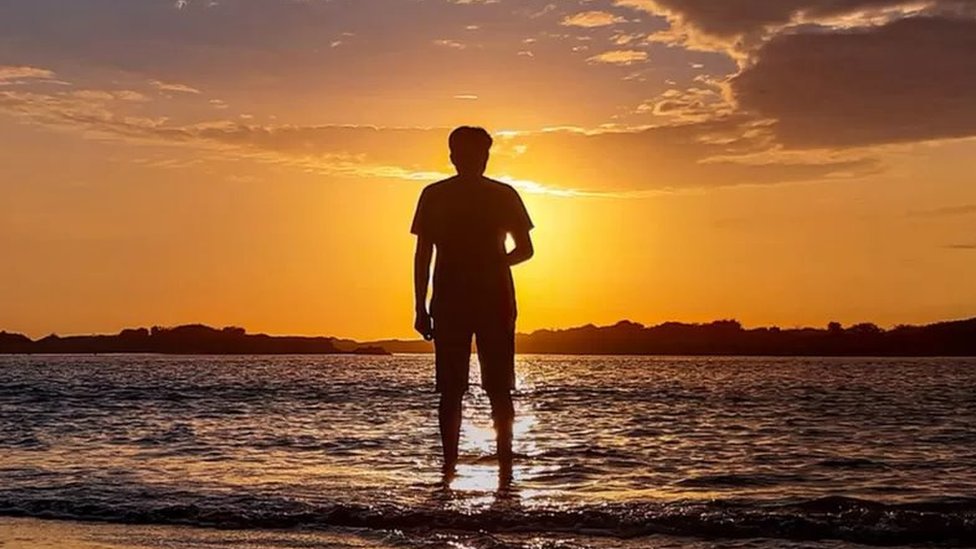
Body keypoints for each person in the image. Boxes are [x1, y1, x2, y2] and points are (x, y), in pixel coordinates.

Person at [411, 126, 535, 481]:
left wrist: (494, 264)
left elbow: (526, 250)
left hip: (490, 300)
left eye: (479, 155)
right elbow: (422, 256)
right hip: (454, 301)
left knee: (493, 388)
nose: (474, 161)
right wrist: (420, 307)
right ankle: (455, 468)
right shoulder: (435, 195)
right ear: (453, 157)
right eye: (468, 155)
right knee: (457, 389)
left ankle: (500, 468)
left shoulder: (501, 194)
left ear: (486, 157)